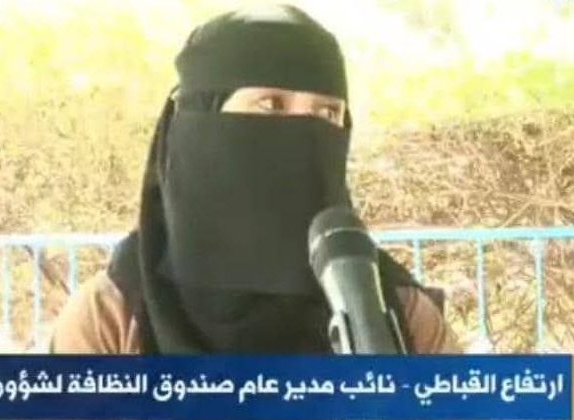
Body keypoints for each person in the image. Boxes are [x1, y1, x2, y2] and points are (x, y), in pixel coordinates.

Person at [46, 4, 460, 357]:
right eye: (271, 104)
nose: (303, 134)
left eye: (327, 113)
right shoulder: (112, 316)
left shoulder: (396, 316)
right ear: (200, 127)